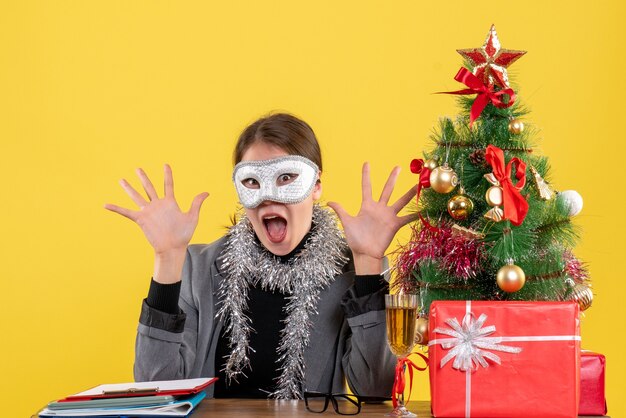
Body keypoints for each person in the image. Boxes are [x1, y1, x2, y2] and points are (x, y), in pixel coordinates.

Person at [104, 113, 417, 399]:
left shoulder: (352, 270)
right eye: (252, 182)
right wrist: (168, 259)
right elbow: (155, 386)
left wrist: (368, 266)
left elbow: (375, 389)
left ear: (316, 185)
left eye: (286, 178)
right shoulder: (197, 267)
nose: (268, 195)